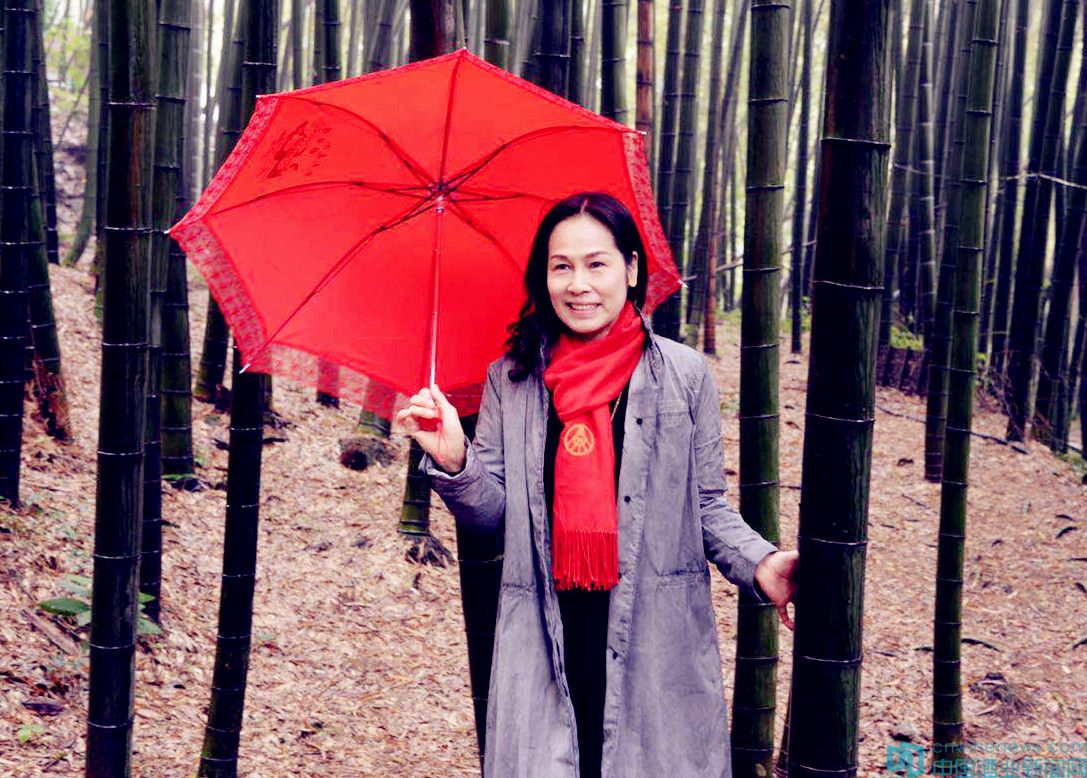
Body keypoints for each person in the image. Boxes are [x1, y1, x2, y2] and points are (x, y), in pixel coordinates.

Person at [394, 192, 798, 778]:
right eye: (561, 266)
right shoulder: (513, 378)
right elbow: (492, 515)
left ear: (631, 269)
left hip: (654, 636)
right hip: (544, 632)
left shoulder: (683, 376)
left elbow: (705, 507)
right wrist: (456, 462)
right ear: (544, 277)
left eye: (596, 264)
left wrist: (762, 563)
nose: (578, 284)